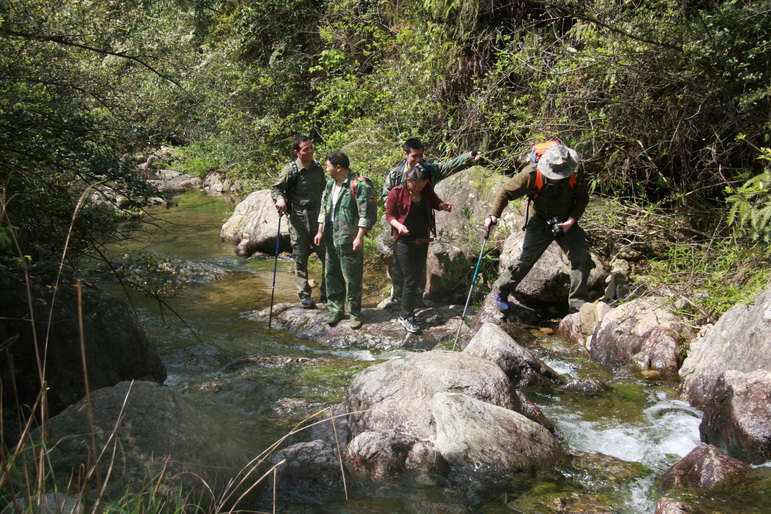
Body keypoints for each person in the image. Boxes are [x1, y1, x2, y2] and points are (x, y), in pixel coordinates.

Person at [484, 144, 591, 313]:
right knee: (526, 260)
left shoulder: (575, 174)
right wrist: (493, 215)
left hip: (567, 222)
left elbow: (582, 200)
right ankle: (501, 290)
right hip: (540, 221)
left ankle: (578, 302)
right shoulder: (532, 174)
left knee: (582, 257)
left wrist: (571, 221)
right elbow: (506, 191)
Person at [381, 137, 482, 308]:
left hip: (421, 225)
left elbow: (448, 166)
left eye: (421, 155)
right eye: (414, 156)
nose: (419, 159)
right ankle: (399, 301)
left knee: (419, 266)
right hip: (400, 225)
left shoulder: (428, 170)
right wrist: (397, 209)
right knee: (399, 266)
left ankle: (417, 300)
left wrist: (468, 156)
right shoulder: (396, 174)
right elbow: (385, 198)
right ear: (405, 154)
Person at [386, 164, 452, 333]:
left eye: (421, 187)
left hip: (422, 239)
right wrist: (398, 226)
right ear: (408, 180)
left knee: (416, 277)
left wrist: (443, 206)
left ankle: (409, 312)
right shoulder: (397, 192)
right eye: (416, 186)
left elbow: (435, 201)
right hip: (403, 241)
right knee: (410, 278)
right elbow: (390, 215)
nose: (418, 189)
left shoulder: (426, 188)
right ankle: (405, 315)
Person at [314, 150, 375, 329]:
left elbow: (365, 214)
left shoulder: (359, 184)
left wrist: (360, 237)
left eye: (328, 166)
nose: (326, 169)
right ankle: (336, 310)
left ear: (338, 167)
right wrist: (319, 232)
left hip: (349, 237)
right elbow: (323, 209)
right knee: (332, 274)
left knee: (352, 277)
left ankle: (355, 313)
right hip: (331, 234)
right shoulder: (330, 184)